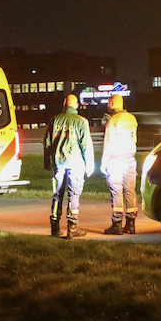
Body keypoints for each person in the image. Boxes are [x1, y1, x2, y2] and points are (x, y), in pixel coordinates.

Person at [43, 94, 94, 239]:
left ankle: (55, 227)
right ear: (76, 105)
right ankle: (72, 228)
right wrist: (89, 164)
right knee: (74, 195)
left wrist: (47, 162)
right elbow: (86, 145)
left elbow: (47, 143)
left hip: (58, 163)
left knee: (57, 194)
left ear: (64, 103)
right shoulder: (82, 121)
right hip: (76, 163)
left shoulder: (55, 120)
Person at [101, 94, 139, 235]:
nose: (107, 106)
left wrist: (104, 163)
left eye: (108, 103)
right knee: (130, 191)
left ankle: (116, 224)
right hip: (130, 159)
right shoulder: (132, 119)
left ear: (112, 103)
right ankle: (131, 223)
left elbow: (108, 143)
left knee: (116, 191)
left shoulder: (113, 120)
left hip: (115, 160)